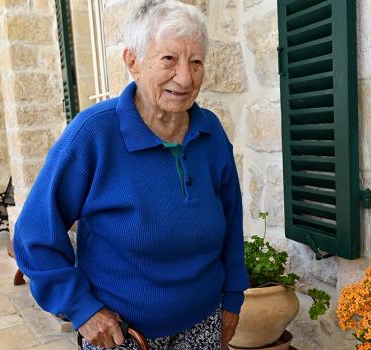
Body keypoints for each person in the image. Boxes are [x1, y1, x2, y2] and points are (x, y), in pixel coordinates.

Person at [13, 1, 249, 349]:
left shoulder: (210, 132)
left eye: (196, 62)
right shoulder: (94, 134)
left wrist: (232, 297)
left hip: (204, 326)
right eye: (169, 59)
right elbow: (34, 232)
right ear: (132, 61)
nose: (185, 78)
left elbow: (231, 223)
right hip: (124, 336)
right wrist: (81, 307)